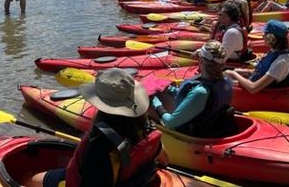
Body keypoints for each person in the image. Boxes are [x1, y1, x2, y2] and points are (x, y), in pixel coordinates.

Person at [29, 68, 168, 187]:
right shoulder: (147, 126)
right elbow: (165, 160)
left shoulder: (99, 145)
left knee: (30, 179)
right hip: (134, 180)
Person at [151, 41, 237, 138]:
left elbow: (170, 122)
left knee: (151, 105)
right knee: (166, 93)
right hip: (214, 125)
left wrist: (156, 103)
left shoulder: (201, 92)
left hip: (193, 134)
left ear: (200, 61)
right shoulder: (226, 80)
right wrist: (173, 90)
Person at [225, 20, 289, 94]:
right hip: (261, 84)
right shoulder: (276, 50)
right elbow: (263, 72)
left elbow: (253, 88)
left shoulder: (281, 62)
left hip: (265, 93)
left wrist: (233, 74)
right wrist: (243, 72)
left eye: (265, 34)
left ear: (272, 38)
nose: (263, 36)